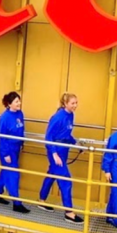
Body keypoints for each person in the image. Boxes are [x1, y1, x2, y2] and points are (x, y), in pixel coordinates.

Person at [39, 93, 83, 223]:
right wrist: (54, 153)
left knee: (52, 173)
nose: (75, 105)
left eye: (76, 102)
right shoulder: (58, 117)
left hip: (64, 149)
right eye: (72, 103)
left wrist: (76, 144)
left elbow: (66, 134)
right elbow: (49, 137)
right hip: (56, 150)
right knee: (65, 179)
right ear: (65, 104)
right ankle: (69, 212)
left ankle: (41, 199)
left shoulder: (71, 116)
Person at [0, 92, 29, 213]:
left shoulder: (20, 114)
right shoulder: (4, 118)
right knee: (13, 174)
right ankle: (16, 203)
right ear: (9, 104)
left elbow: (21, 129)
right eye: (16, 102)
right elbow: (2, 138)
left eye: (19, 101)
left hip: (16, 148)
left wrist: (21, 143)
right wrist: (5, 154)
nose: (19, 103)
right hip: (7, 149)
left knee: (6, 171)